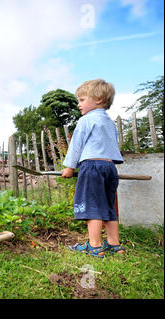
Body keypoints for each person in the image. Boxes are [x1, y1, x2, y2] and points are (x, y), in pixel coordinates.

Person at [61, 79, 125, 258]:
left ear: (98, 99)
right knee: (108, 206)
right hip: (110, 167)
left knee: (92, 205)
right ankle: (114, 244)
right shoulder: (109, 123)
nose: (78, 104)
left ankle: (94, 245)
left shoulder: (86, 120)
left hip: (92, 166)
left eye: (81, 100)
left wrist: (69, 167)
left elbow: (76, 145)